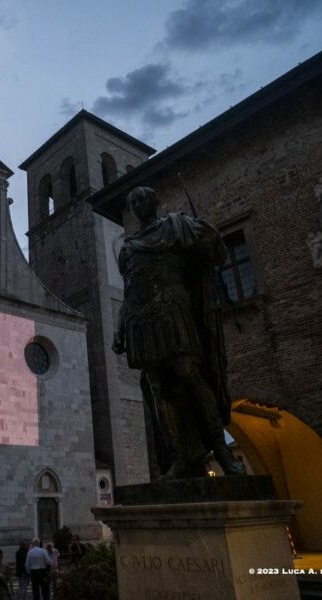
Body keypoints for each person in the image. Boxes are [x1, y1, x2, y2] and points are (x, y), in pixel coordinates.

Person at [112, 186, 245, 478]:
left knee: (189, 376)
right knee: (157, 388)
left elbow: (215, 252)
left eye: (144, 199)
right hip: (140, 318)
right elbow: (129, 290)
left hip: (173, 307)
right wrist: (120, 326)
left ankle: (221, 452)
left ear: (155, 201)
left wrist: (209, 237)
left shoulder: (177, 226)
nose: (139, 205)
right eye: (133, 202)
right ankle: (180, 457)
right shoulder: (129, 247)